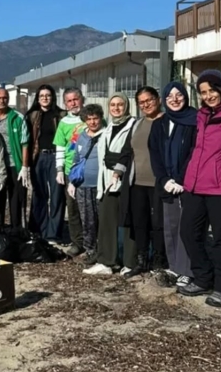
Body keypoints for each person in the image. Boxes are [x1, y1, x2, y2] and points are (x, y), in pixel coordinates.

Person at [178, 70, 221, 307]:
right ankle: (203, 277)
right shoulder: (201, 116)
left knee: (220, 239)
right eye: (203, 92)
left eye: (212, 90)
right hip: (194, 186)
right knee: (188, 232)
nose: (208, 96)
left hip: (220, 188)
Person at [83, 93, 137, 276]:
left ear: (127, 106)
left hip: (127, 181)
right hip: (107, 182)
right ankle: (106, 261)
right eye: (113, 105)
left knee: (129, 222)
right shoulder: (108, 128)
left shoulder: (133, 126)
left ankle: (130, 262)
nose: (116, 108)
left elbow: (129, 152)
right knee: (106, 221)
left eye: (120, 104)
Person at [149, 82, 197, 288]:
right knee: (170, 225)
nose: (175, 99)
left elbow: (194, 152)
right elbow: (155, 154)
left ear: (185, 97)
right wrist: (164, 179)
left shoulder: (194, 121)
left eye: (179, 95)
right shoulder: (159, 124)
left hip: (188, 183)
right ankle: (174, 266)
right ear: (165, 99)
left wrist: (180, 179)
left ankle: (187, 270)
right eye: (170, 96)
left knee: (186, 228)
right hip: (166, 184)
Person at [119, 87, 166, 278]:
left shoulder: (167, 122)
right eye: (141, 102)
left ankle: (159, 261)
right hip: (137, 181)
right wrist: (118, 172)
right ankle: (141, 260)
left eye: (149, 100)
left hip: (159, 182)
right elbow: (127, 150)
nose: (146, 104)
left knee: (158, 223)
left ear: (158, 99)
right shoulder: (137, 124)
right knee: (139, 222)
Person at [26, 85, 67, 242]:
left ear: (53, 97)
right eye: (42, 95)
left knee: (57, 196)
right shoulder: (32, 116)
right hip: (39, 158)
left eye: (48, 95)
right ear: (37, 98)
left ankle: (53, 233)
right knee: (39, 195)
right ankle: (38, 231)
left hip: (57, 157)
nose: (45, 98)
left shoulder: (61, 115)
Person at [0, 87, 30, 228]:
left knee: (16, 202)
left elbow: (25, 143)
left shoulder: (18, 117)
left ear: (8, 99)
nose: (1, 100)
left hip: (14, 165)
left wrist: (24, 166)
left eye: (4, 97)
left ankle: (17, 232)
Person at [66, 104, 105, 264]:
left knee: (102, 219)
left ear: (100, 118)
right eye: (89, 119)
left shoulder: (106, 134)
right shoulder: (81, 136)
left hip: (101, 185)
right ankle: (90, 250)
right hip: (83, 185)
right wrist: (72, 182)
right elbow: (76, 158)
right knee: (87, 219)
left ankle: (104, 250)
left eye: (95, 118)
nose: (92, 122)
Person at [54, 88, 86, 256]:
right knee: (72, 209)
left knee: (89, 208)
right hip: (70, 171)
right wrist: (59, 169)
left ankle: (91, 241)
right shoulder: (64, 123)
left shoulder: (91, 118)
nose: (73, 103)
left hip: (89, 170)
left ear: (82, 99)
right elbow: (60, 147)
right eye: (69, 101)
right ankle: (77, 242)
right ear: (65, 104)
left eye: (76, 99)